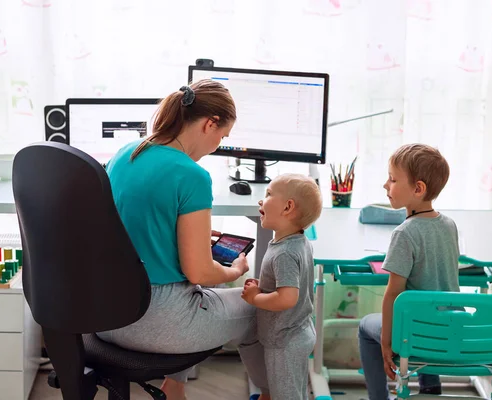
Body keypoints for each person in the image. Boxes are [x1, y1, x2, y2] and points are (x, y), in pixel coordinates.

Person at [97, 80, 264, 400]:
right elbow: (199, 273)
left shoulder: (125, 153)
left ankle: (175, 389)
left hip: (105, 313)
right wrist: (236, 270)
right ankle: (271, 393)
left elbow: (133, 226)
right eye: (221, 136)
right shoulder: (192, 175)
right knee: (263, 308)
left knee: (200, 284)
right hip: (154, 321)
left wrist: (184, 232)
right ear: (209, 124)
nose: (217, 145)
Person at [358, 143, 460, 400]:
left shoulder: (404, 233)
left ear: (418, 189)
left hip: (416, 334)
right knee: (429, 310)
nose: (385, 185)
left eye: (392, 179)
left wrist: (386, 343)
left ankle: (378, 398)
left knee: (365, 327)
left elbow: (393, 294)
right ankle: (430, 391)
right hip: (447, 330)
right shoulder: (449, 225)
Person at [240, 173, 323, 400]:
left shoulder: (285, 252)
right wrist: (263, 287)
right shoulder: (297, 242)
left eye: (268, 194)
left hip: (285, 339)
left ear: (287, 207)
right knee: (292, 390)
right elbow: (289, 283)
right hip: (297, 330)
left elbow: (287, 298)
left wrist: (255, 298)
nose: (260, 201)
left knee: (287, 394)